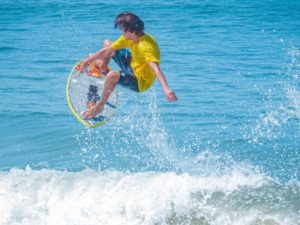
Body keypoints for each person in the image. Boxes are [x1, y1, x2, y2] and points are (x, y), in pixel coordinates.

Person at [79, 12, 177, 119]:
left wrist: (166, 89)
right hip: (133, 65)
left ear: (130, 30)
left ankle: (99, 106)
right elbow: (109, 49)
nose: (121, 31)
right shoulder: (131, 37)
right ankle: (103, 68)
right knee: (108, 43)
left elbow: (156, 68)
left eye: (122, 28)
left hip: (140, 81)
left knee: (113, 75)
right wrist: (88, 60)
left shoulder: (146, 47)